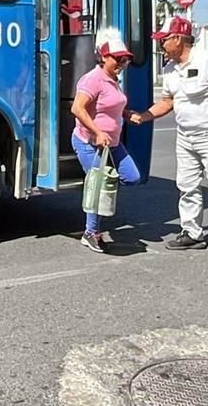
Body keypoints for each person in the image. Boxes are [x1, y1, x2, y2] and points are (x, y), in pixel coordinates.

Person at [130, 16, 208, 263]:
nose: (161, 45)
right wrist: (144, 116)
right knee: (187, 186)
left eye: (164, 40)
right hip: (186, 137)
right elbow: (168, 102)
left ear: (179, 39)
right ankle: (193, 233)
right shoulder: (170, 69)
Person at [70, 28, 143, 253]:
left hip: (111, 144)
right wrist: (98, 132)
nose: (122, 62)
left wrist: (126, 114)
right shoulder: (93, 79)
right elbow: (77, 108)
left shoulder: (114, 79)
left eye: (126, 59)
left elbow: (110, 107)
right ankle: (91, 233)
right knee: (98, 185)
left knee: (132, 177)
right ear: (104, 57)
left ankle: (101, 197)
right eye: (118, 58)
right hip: (88, 142)